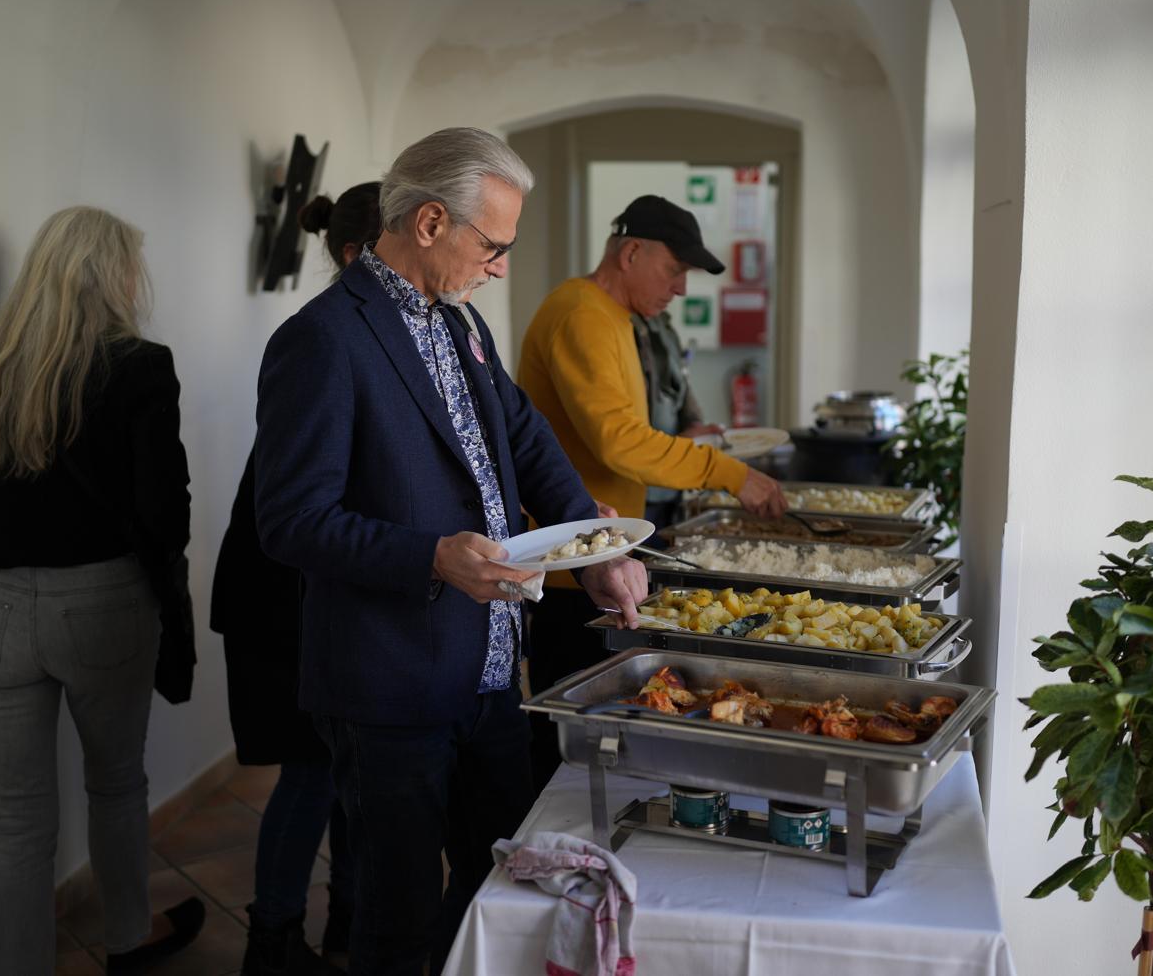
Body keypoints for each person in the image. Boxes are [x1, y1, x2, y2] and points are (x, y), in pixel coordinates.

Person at [253, 127, 648, 976]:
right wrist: (432, 556)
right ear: (431, 223)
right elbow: (289, 521)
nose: (501, 265)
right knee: (395, 921)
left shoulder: (460, 321)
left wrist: (597, 547)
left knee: (500, 885)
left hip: (493, 669)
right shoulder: (323, 339)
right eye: (493, 244)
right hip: (389, 680)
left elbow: (529, 441)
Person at [0, 206, 204, 975]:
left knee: (17, 817)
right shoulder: (139, 364)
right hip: (100, 600)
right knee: (117, 783)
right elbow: (166, 509)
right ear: (113, 273)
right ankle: (127, 938)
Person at [517, 194, 787, 781]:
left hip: (602, 551)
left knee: (599, 730)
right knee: (567, 739)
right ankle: (545, 847)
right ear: (631, 252)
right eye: (674, 270)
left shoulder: (616, 318)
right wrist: (729, 472)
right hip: (572, 565)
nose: (681, 288)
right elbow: (621, 443)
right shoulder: (580, 313)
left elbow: (621, 434)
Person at [211, 183, 382, 975]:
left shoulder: (370, 334)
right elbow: (299, 513)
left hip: (312, 594)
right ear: (357, 257)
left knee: (343, 771)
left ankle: (345, 919)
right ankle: (273, 939)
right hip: (282, 599)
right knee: (311, 773)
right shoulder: (322, 340)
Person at [632, 309, 723, 534]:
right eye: (674, 273)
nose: (680, 288)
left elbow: (680, 382)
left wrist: (694, 424)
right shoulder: (619, 325)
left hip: (671, 484)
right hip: (637, 486)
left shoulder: (663, 324)